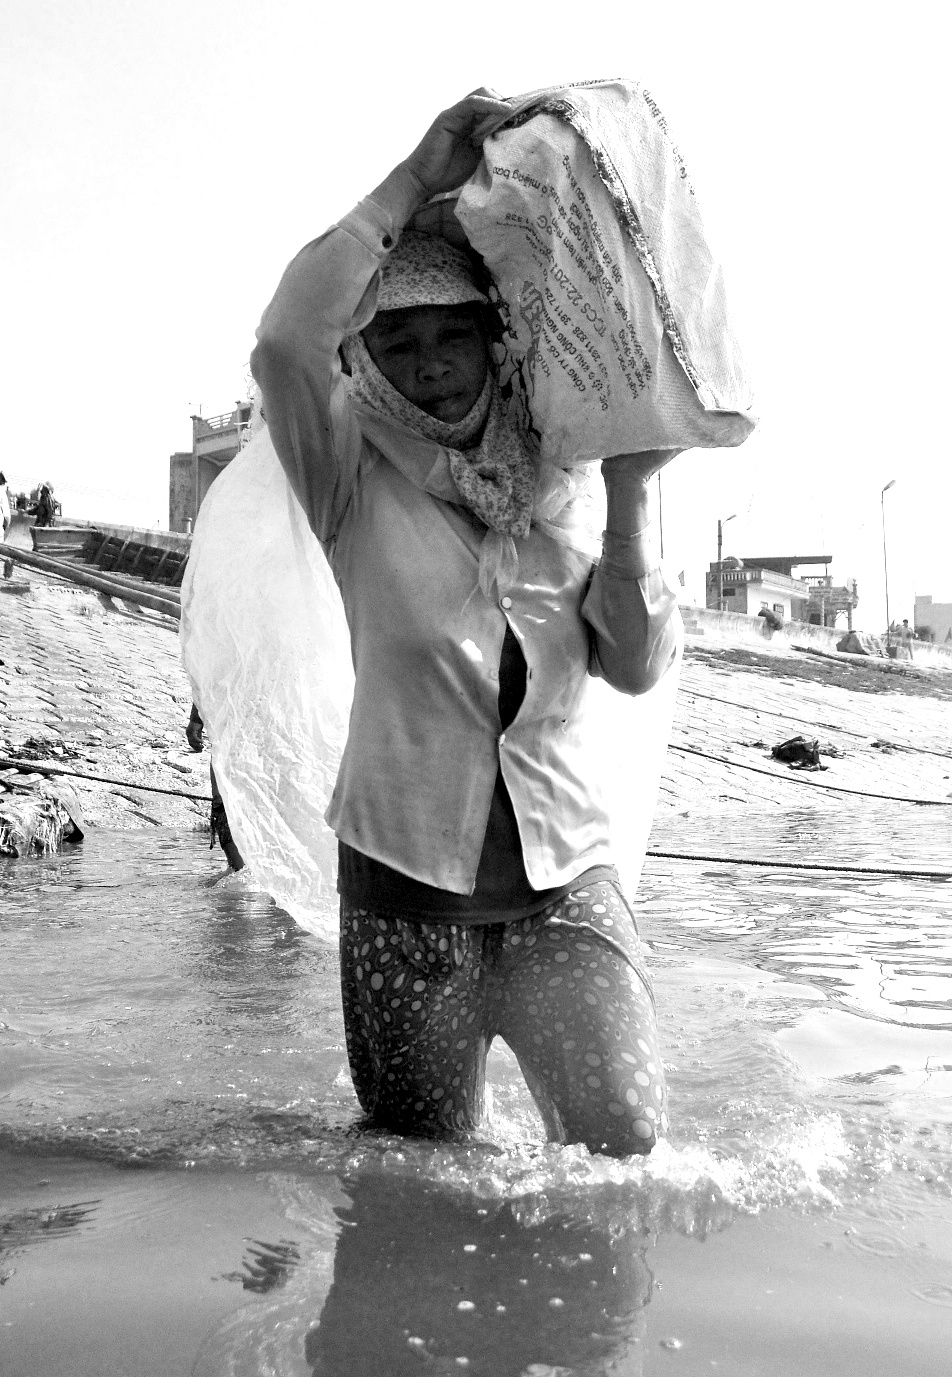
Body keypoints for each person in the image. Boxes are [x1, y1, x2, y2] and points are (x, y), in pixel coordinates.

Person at [250, 90, 681, 1157]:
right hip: (403, 892)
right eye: (398, 340)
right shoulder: (348, 477)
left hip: (565, 882)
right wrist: (414, 175)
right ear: (364, 359)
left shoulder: (568, 477)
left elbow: (633, 667)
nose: (431, 360)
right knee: (420, 1170)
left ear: (498, 345)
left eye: (455, 333)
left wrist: (631, 493)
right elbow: (286, 342)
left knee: (626, 1154)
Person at [186, 703, 245, 872]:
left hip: (275, 729)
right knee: (224, 802)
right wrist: (196, 720)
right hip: (230, 730)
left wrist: (196, 721)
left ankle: (243, 873)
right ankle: (238, 871)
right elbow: (207, 684)